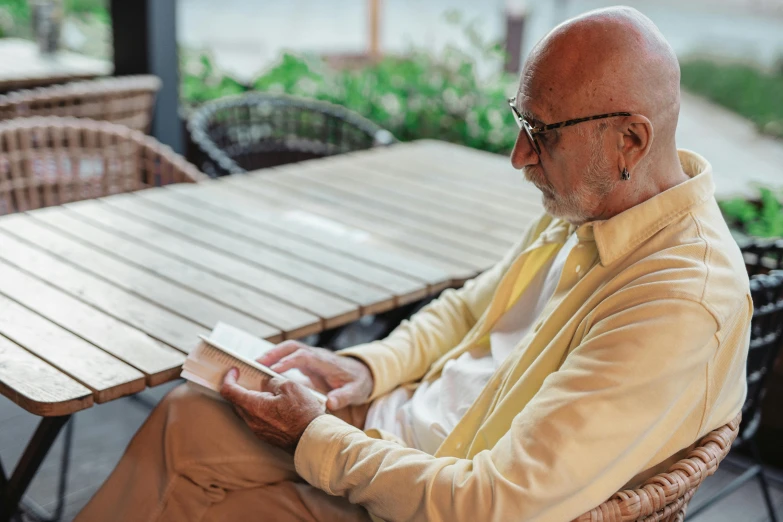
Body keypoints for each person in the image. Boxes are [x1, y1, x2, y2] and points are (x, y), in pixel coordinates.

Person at [76, 6, 751, 522]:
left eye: (540, 133)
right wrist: (363, 368)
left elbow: (492, 503)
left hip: (428, 496)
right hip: (399, 436)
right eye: (520, 121)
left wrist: (313, 434)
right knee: (189, 411)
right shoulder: (594, 203)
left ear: (628, 140)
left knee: (205, 499)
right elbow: (468, 310)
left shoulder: (676, 301)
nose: (518, 156)